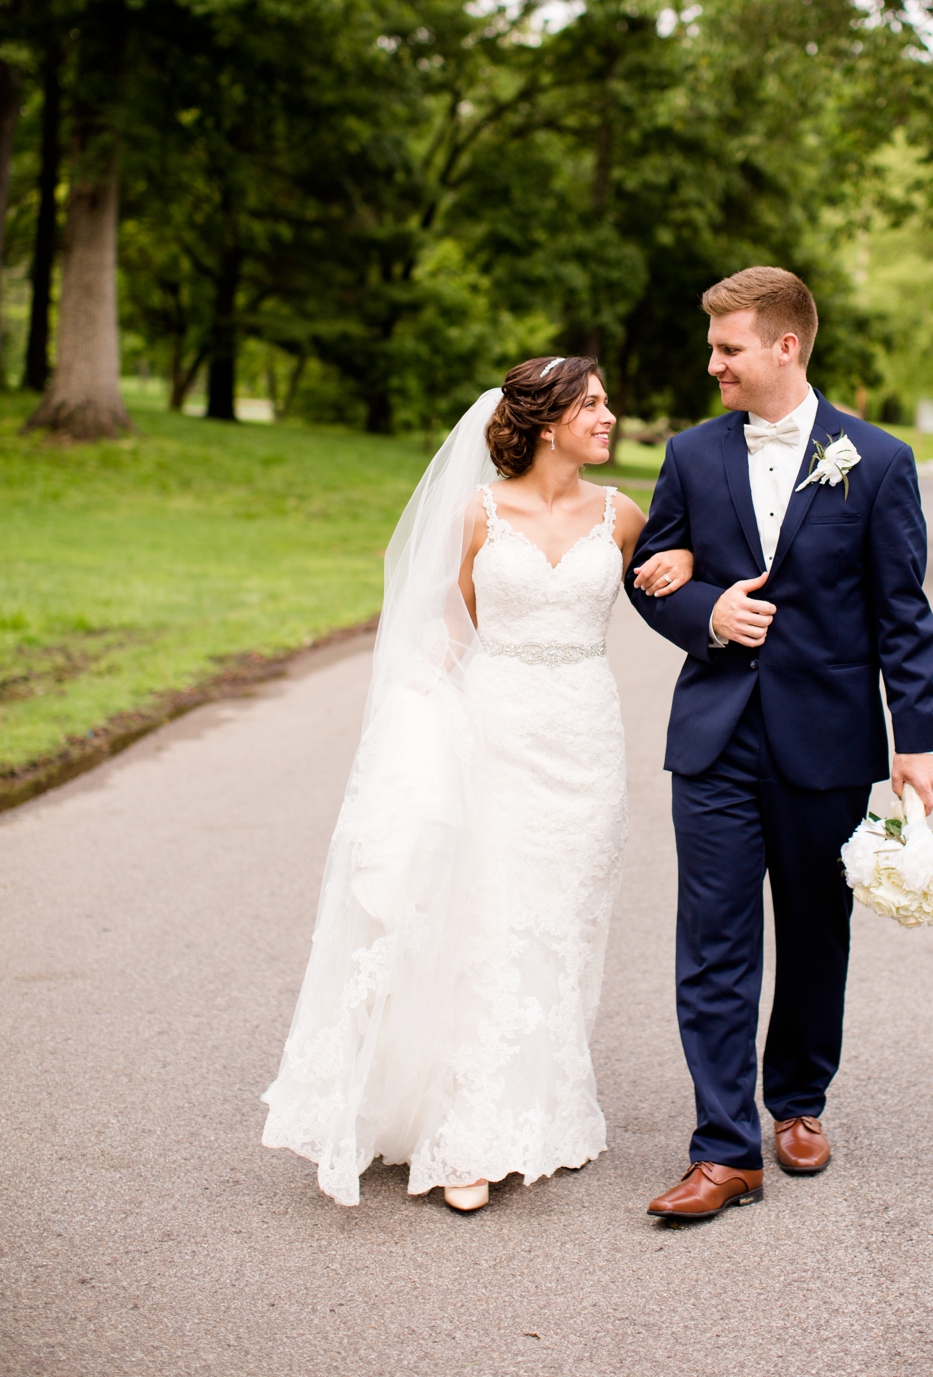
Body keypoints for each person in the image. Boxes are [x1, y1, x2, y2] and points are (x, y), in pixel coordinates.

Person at [262, 357, 693, 1212]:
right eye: (594, 405)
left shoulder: (625, 515)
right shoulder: (477, 514)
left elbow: (671, 592)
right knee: (488, 921)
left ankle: (546, 1107)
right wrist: (415, 725)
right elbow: (448, 627)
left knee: (564, 923)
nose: (610, 417)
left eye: (607, 403)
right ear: (546, 421)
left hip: (586, 740)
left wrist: (679, 566)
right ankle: (470, 1131)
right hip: (493, 733)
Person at [628, 268, 933, 1221]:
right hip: (716, 737)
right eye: (714, 346)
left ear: (786, 347)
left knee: (816, 932)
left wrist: (916, 738)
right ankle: (725, 1149)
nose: (713, 363)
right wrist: (707, 611)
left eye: (728, 347)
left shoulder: (878, 462)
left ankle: (799, 1100)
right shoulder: (691, 454)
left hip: (828, 739)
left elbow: (903, 610)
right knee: (715, 941)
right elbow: (653, 579)